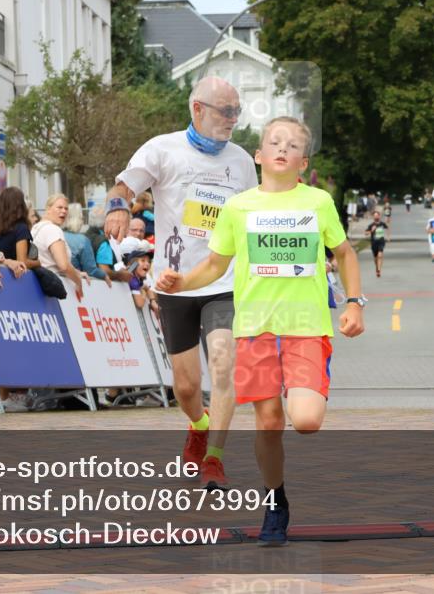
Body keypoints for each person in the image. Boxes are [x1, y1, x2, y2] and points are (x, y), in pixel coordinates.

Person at [156, 116, 365, 546]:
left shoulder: (318, 202)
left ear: (303, 163)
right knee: (269, 421)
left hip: (306, 327)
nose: (282, 148)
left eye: (292, 145)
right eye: (274, 142)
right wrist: (182, 282)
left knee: (305, 420)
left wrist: (354, 302)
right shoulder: (238, 207)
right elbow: (215, 265)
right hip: (253, 329)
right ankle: (275, 502)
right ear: (259, 156)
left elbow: (344, 253)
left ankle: (278, 489)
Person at [103, 76, 259, 488]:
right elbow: (123, 185)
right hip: (176, 283)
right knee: (187, 387)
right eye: (225, 111)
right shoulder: (162, 148)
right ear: (197, 109)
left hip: (224, 280)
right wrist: (118, 208)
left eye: (236, 112)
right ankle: (198, 425)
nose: (232, 120)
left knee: (224, 364)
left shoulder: (242, 162)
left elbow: (255, 218)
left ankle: (215, 458)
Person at [32, 193, 86, 299]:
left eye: (66, 208)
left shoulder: (36, 228)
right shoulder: (53, 229)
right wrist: (78, 281)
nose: (64, 211)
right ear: (48, 208)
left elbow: (49, 261)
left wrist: (76, 272)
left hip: (39, 285)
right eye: (59, 207)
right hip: (54, 289)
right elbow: (63, 266)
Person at [0, 187, 39, 270]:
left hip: (0, 273)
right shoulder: (21, 228)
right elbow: (22, 262)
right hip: (16, 277)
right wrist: (38, 262)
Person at [63, 202, 109, 282]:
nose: (83, 220)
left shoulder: (57, 235)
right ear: (78, 219)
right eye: (82, 217)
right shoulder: (82, 240)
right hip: (76, 284)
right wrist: (105, 276)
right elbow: (91, 270)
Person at [365, 210, 389, 278]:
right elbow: (365, 233)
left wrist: (388, 237)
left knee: (380, 255)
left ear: (379, 216)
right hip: (374, 243)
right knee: (376, 258)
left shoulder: (382, 224)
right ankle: (377, 267)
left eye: (377, 215)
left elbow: (387, 228)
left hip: (381, 242)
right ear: (373, 217)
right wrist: (371, 231)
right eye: (374, 216)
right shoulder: (371, 225)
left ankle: (379, 270)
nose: (376, 217)